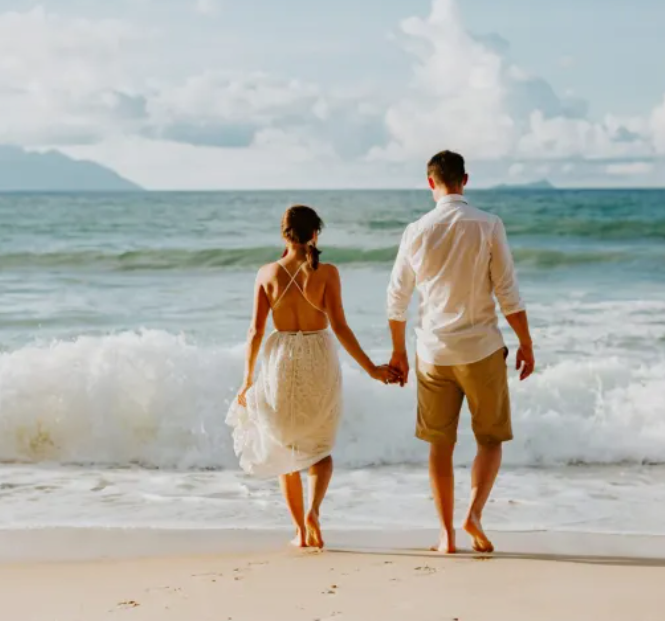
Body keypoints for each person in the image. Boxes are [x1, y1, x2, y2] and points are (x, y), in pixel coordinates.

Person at [386, 151, 535, 555]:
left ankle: (446, 535)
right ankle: (473, 513)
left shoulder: (416, 230)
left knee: (440, 444)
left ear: (430, 182)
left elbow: (396, 298)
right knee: (489, 439)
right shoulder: (488, 224)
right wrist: (526, 342)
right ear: (464, 180)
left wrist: (399, 352)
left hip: (433, 351)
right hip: (482, 349)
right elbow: (507, 291)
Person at [227, 205, 399, 550]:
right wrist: (372, 369)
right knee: (320, 447)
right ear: (315, 233)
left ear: (283, 234)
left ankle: (300, 532)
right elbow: (340, 326)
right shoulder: (328, 273)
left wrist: (247, 379)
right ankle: (314, 512)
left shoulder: (266, 274)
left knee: (283, 447)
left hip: (280, 362)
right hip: (319, 359)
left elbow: (255, 331)